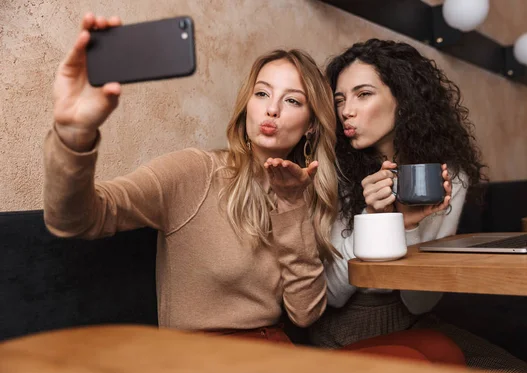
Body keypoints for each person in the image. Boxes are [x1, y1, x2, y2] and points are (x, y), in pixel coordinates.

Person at [43, 13, 342, 343]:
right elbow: (75, 220)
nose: (272, 109)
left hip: (272, 355)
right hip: (199, 362)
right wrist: (74, 136)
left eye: (292, 100)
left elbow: (305, 313)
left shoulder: (304, 193)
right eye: (262, 94)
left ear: (311, 125)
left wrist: (291, 207)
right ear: (246, 106)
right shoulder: (196, 172)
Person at [309, 38, 527, 373]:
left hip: (415, 321)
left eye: (364, 94)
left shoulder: (448, 175)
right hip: (341, 328)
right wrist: (374, 217)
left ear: (403, 99)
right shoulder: (334, 169)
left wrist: (409, 225)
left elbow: (420, 299)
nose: (346, 111)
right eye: (340, 99)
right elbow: (335, 294)